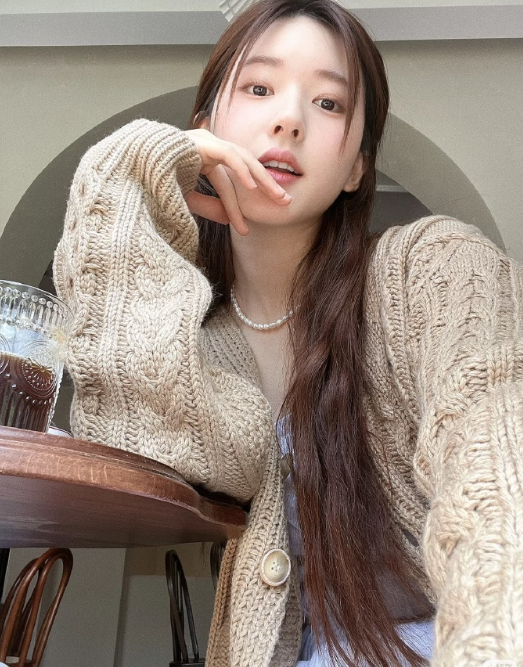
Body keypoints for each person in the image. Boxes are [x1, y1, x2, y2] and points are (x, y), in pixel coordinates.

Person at [53, 0, 523, 665]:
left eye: (329, 103)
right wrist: (134, 171)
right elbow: (124, 428)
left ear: (357, 167)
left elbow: (497, 467)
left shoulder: (434, 268)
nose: (290, 118)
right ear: (204, 129)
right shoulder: (199, 340)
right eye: (258, 88)